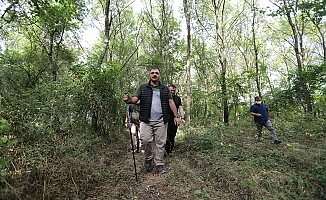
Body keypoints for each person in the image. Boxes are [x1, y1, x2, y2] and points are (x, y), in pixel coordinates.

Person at [123, 68, 179, 174]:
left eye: (156, 73)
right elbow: (135, 99)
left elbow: (171, 102)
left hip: (161, 121)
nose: (154, 75)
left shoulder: (164, 89)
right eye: (152, 73)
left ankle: (159, 163)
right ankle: (148, 158)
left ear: (159, 75)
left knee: (160, 143)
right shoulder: (143, 87)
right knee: (144, 140)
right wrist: (128, 100)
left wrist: (176, 116)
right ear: (149, 75)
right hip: (146, 120)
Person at [165, 84, 185, 157]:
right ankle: (165, 150)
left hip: (174, 120)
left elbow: (180, 108)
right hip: (165, 119)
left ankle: (170, 150)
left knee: (172, 135)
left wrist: (182, 118)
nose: (172, 92)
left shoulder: (177, 98)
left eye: (173, 90)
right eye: (171, 90)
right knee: (165, 135)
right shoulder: (164, 97)